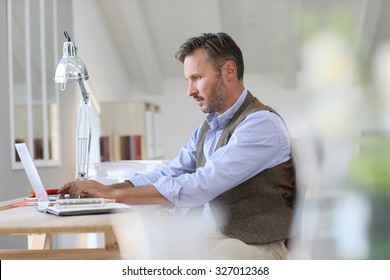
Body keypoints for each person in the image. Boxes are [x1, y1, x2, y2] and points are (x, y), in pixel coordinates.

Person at [58, 32, 296, 259]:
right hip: (216, 237)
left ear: (229, 71)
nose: (190, 90)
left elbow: (201, 184)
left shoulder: (261, 124)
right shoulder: (209, 128)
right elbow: (171, 171)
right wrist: (107, 187)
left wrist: (115, 194)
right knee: (140, 253)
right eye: (188, 80)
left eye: (197, 78)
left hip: (259, 246)